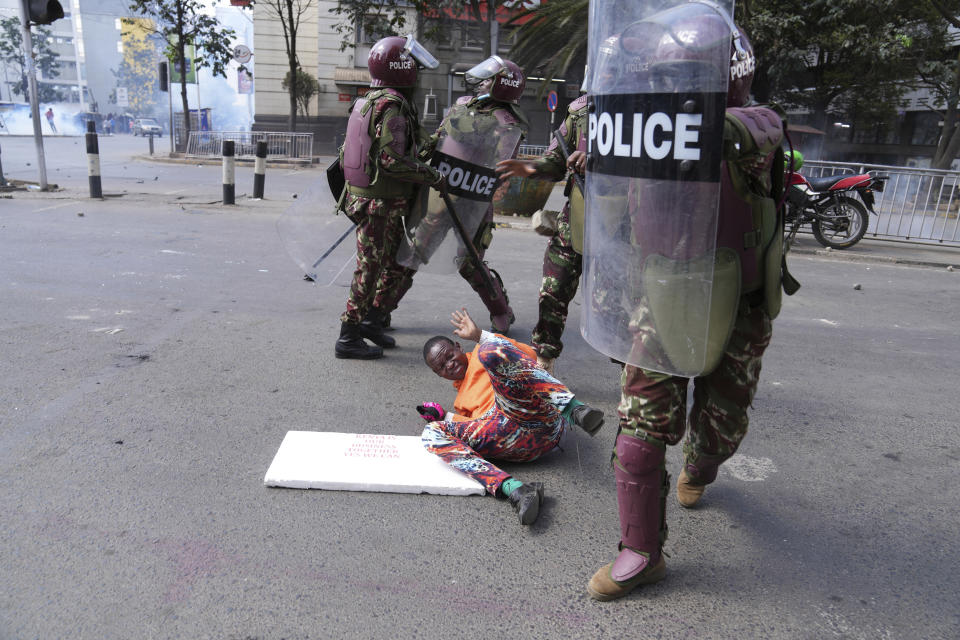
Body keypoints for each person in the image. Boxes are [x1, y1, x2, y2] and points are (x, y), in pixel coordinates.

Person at [584, 5, 798, 601]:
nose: (670, 88)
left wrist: (669, 119)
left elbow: (736, 134)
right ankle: (640, 550)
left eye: (684, 79)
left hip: (741, 302)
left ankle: (703, 465)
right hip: (660, 294)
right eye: (664, 77)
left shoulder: (757, 122)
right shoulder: (640, 125)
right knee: (638, 430)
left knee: (722, 428)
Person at [377, 56, 528, 335]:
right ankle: (380, 308)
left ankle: (501, 311)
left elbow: (502, 166)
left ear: (502, 85)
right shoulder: (462, 106)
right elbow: (438, 138)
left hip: (474, 202)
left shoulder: (507, 123)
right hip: (439, 192)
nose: (481, 82)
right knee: (413, 253)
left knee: (470, 264)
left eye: (488, 79)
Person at [420, 307, 605, 525]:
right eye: (441, 367)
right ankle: (515, 491)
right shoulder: (461, 401)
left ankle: (573, 409)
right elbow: (475, 433)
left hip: (533, 416)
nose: (449, 365)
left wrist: (479, 336)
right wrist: (444, 418)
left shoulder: (482, 352)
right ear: (438, 374)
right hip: (513, 442)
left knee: (488, 351)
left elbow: (529, 356)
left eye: (449, 356)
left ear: (459, 346)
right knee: (431, 434)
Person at [335, 35, 446, 360]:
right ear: (403, 67)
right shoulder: (392, 104)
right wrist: (432, 175)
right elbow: (391, 160)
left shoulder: (370, 99)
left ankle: (371, 322)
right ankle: (348, 336)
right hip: (379, 204)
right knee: (369, 268)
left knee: (394, 262)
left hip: (374, 201)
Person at [496, 79, 588, 372]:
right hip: (578, 216)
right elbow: (556, 159)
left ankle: (632, 375)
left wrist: (602, 160)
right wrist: (531, 167)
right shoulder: (581, 111)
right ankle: (543, 362)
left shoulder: (645, 112)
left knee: (620, 307)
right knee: (554, 288)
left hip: (624, 225)